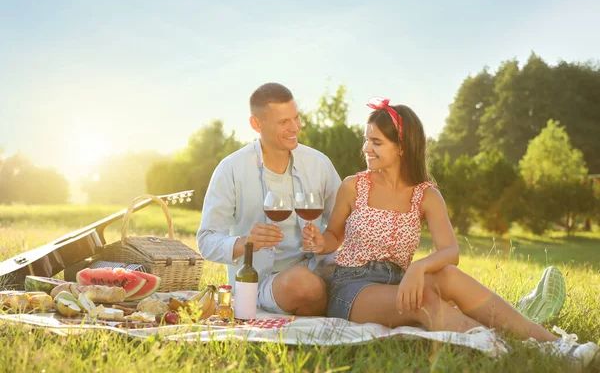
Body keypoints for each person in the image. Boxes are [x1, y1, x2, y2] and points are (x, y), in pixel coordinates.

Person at [301, 96, 598, 365]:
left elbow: (450, 252)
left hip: (399, 280)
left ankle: (558, 346)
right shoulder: (354, 185)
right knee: (423, 303)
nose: (366, 148)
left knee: (449, 276)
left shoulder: (426, 195)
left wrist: (419, 268)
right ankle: (512, 352)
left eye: (376, 142)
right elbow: (334, 237)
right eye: (367, 140)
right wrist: (319, 241)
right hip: (353, 289)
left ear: (402, 148)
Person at [197, 82, 342, 316]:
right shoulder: (232, 168)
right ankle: (332, 303)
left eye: (296, 118)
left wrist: (323, 240)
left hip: (317, 267)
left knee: (366, 273)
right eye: (284, 122)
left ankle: (332, 301)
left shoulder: (318, 163)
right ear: (256, 124)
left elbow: (344, 220)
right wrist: (245, 242)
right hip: (261, 282)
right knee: (304, 284)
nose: (295, 127)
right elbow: (206, 240)